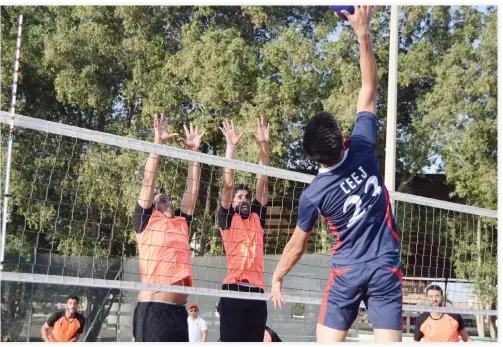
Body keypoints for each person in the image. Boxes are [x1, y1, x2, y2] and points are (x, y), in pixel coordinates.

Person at [269, 6, 403, 343]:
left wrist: (278, 277)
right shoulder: (361, 146)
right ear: (341, 137)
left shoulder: (314, 193)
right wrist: (363, 34)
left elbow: (297, 246)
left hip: (346, 272)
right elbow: (369, 87)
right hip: (384, 265)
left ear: (311, 154)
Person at [133, 114, 204, 342]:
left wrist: (194, 154)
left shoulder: (181, 223)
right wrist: (158, 142)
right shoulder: (145, 220)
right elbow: (148, 181)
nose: (169, 204)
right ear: (153, 206)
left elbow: (192, 191)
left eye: (171, 200)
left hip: (177, 313)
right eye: (163, 200)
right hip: (153, 309)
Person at [217, 117, 270, 342]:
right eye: (240, 197)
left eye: (247, 197)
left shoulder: (257, 217)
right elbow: (227, 185)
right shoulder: (228, 219)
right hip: (233, 289)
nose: (245, 200)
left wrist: (264, 146)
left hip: (257, 291)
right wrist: (231, 147)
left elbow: (262, 180)